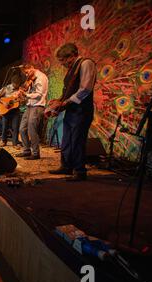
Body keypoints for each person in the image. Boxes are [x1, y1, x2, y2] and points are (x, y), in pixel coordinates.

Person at [46, 43, 96, 181]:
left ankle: (80, 171)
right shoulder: (72, 68)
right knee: (66, 139)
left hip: (81, 110)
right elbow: (68, 90)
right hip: (72, 109)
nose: (62, 64)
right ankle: (66, 166)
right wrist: (58, 102)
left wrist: (65, 102)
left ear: (72, 56)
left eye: (63, 60)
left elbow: (85, 89)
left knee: (77, 140)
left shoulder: (86, 64)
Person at [16, 64, 49, 160]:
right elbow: (29, 92)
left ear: (32, 68)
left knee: (32, 129)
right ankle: (26, 150)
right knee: (22, 128)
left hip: (37, 106)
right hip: (29, 105)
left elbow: (39, 94)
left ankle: (35, 153)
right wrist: (22, 94)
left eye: (27, 72)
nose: (26, 75)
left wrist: (26, 95)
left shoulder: (41, 77)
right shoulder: (32, 78)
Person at [0, 74, 25, 147]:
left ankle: (15, 142)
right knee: (4, 126)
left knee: (15, 127)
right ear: (13, 83)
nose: (17, 85)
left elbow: (23, 100)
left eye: (18, 84)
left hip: (15, 110)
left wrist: (22, 100)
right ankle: (3, 141)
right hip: (5, 110)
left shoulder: (20, 89)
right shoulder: (6, 88)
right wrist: (4, 102)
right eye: (16, 84)